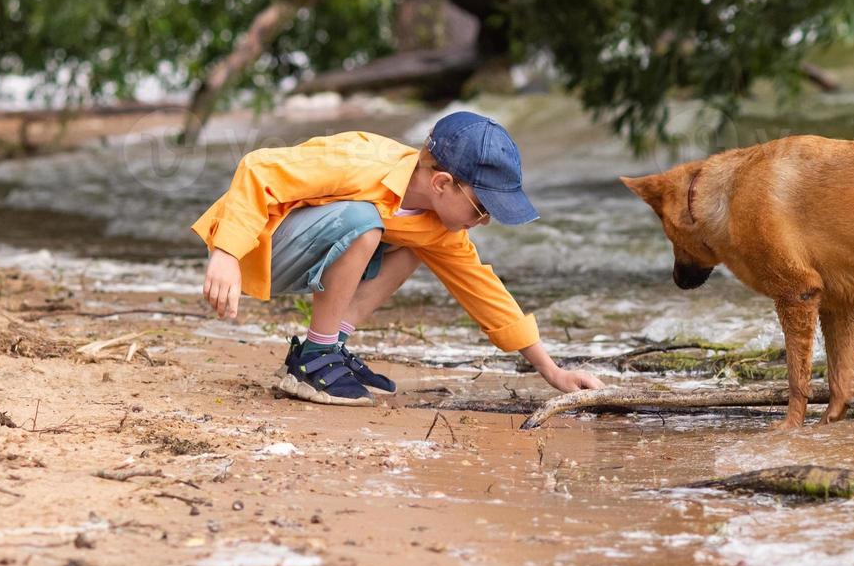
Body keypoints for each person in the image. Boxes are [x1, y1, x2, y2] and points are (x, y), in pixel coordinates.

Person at [193, 111, 605, 405]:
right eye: (482, 210)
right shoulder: (360, 161)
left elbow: (484, 291)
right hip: (253, 249)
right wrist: (226, 253)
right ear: (442, 183)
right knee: (366, 220)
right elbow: (258, 169)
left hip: (308, 255)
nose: (485, 222)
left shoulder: (438, 224)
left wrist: (552, 371)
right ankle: (316, 360)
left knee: (413, 245)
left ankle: (325, 348)